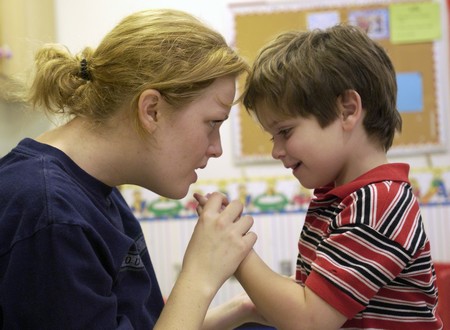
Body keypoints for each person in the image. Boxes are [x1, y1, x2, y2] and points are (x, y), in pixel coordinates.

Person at [0, 9, 264, 329]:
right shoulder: (51, 213)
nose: (216, 147)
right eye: (212, 123)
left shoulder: (93, 190)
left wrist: (240, 309)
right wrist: (200, 275)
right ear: (151, 110)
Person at [230, 24, 443, 329]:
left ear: (347, 110)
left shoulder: (379, 202)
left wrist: (234, 250)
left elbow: (310, 321)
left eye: (285, 132)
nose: (276, 150)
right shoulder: (345, 198)